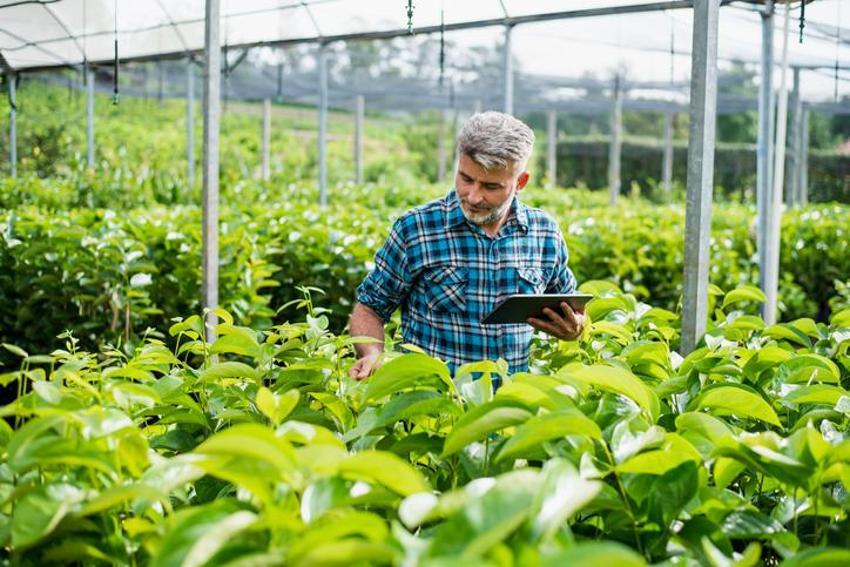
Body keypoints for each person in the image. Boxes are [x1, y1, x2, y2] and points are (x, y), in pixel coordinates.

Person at [349, 111, 584, 380]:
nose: (473, 196)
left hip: (509, 408)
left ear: (520, 182)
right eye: (466, 178)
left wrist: (574, 328)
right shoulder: (416, 228)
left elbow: (571, 307)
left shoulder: (544, 233)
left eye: (491, 186)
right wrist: (371, 354)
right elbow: (370, 308)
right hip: (433, 406)